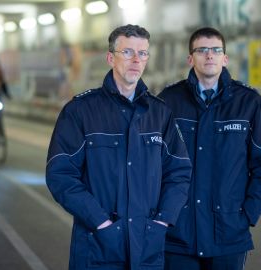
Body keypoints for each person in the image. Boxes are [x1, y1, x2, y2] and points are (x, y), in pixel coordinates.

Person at [46, 24, 192, 270]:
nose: (136, 60)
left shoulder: (160, 113)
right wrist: (101, 222)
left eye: (143, 53)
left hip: (147, 247)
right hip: (97, 246)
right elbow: (60, 174)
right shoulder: (80, 111)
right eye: (127, 52)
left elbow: (179, 172)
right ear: (110, 57)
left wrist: (162, 222)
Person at [158, 27, 261, 270]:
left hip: (229, 234)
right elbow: (151, 163)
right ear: (190, 58)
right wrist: (164, 215)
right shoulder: (169, 101)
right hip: (178, 235)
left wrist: (247, 214)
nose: (209, 55)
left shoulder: (249, 103)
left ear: (225, 58)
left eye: (216, 50)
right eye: (202, 50)